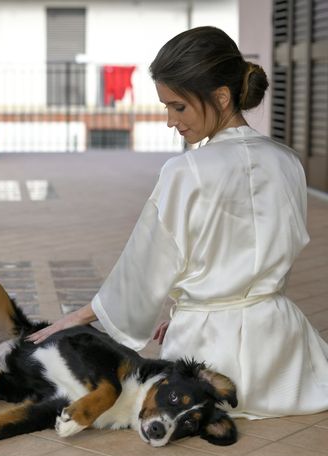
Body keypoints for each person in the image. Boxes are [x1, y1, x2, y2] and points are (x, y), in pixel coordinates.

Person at [27, 26, 328, 418]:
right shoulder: (287, 160)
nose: (171, 121)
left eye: (178, 107)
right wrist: (195, 302)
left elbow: (145, 265)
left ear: (221, 97)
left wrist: (80, 317)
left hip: (206, 360)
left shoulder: (186, 170)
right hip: (289, 358)